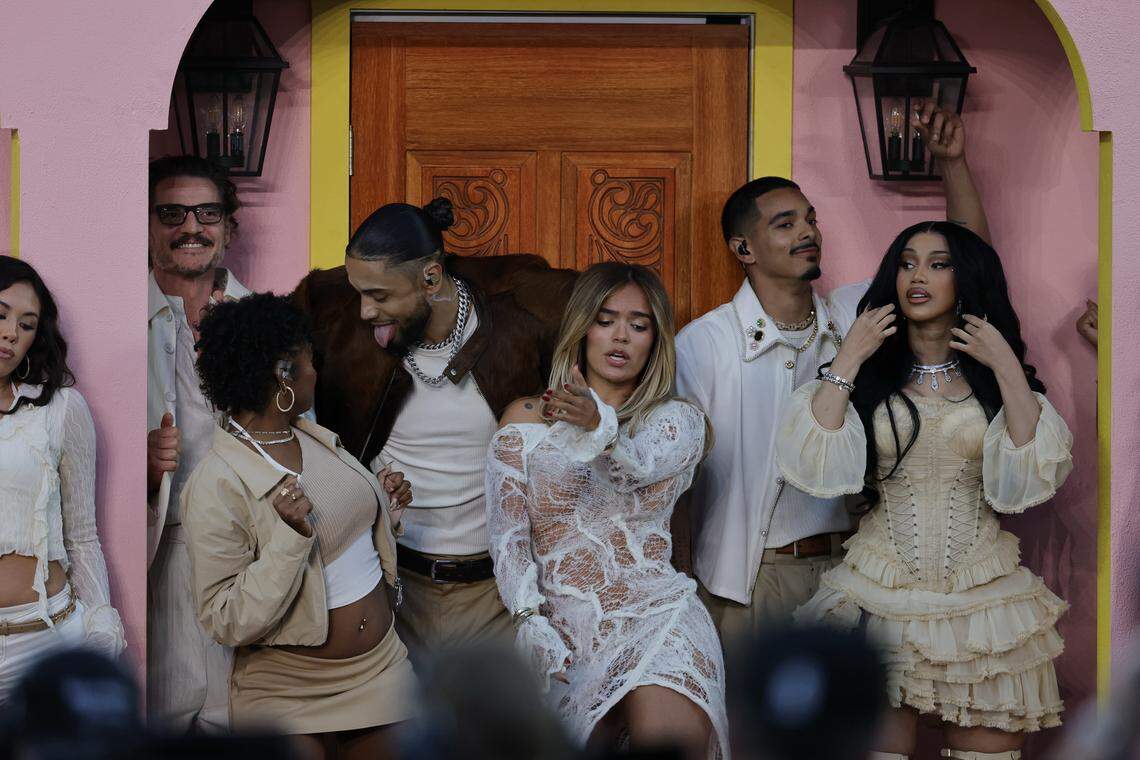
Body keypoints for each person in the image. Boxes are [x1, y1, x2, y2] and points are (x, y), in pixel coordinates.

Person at [676, 103, 992, 642]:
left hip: (855, 572)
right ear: (743, 248)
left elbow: (963, 265)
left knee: (854, 728)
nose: (808, 232)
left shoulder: (855, 314)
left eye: (811, 219)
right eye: (786, 223)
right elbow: (673, 476)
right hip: (752, 582)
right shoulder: (705, 343)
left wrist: (954, 166)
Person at [777, 221, 1071, 759]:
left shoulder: (992, 379)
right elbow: (812, 456)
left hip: (983, 607)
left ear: (967, 280)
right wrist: (850, 356)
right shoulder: (870, 376)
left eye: (939, 264)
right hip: (878, 597)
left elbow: (1031, 473)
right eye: (908, 262)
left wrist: (1003, 360)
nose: (918, 276)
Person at [292, 198, 577, 664]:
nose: (364, 311)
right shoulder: (334, 318)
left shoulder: (522, 320)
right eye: (358, 292)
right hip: (389, 584)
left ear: (431, 277)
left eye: (380, 296)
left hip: (497, 594)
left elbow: (613, 320)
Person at [488, 263, 728, 760]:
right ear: (581, 328)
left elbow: (634, 470)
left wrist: (600, 425)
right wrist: (529, 617)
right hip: (563, 635)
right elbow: (508, 535)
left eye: (639, 325)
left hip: (659, 620)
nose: (621, 337)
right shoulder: (524, 420)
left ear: (655, 340)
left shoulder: (677, 421)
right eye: (606, 319)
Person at [181, 293, 416, 759]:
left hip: (382, 669)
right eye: (310, 361)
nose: (317, 371)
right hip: (286, 692)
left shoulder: (313, 436)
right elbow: (224, 618)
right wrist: (290, 539)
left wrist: (383, 505)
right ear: (283, 373)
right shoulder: (216, 481)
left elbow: (343, 540)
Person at [146, 155, 250, 731]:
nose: (192, 226)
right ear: (149, 225)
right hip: (158, 546)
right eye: (172, 212)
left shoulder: (266, 319)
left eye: (208, 212)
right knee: (164, 714)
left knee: (237, 720)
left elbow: (299, 432)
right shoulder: (120, 316)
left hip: (247, 553)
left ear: (229, 227)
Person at [0, 255, 125, 702]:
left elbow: (83, 537)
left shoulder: (61, 410)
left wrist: (100, 633)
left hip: (47, 637)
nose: (11, 333)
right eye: (1, 315)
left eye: (27, 324)